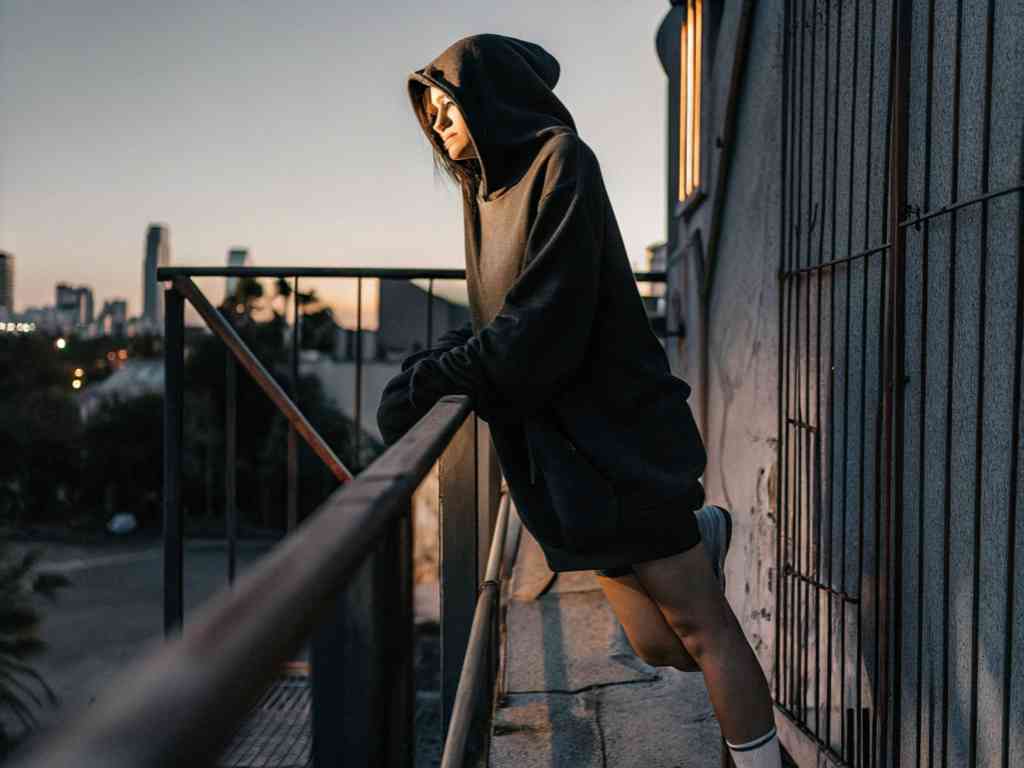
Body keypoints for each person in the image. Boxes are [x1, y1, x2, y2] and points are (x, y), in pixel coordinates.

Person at [376, 34, 781, 768]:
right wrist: (434, 365)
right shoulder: (482, 192)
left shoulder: (565, 161)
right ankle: (706, 536)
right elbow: (500, 319)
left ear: (487, 93)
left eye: (446, 106)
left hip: (620, 441)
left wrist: (433, 380)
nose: (436, 124)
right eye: (428, 113)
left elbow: (540, 330)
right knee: (658, 644)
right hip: (564, 468)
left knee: (700, 628)